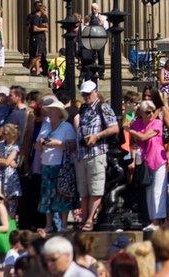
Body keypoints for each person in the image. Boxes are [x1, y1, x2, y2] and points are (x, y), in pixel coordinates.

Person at [73, 80, 119, 230]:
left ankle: (90, 219)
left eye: (88, 94)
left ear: (95, 92)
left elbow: (114, 128)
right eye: (84, 94)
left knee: (96, 188)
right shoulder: (84, 109)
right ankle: (84, 218)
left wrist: (97, 136)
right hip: (82, 154)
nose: (86, 97)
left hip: (96, 152)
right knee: (84, 190)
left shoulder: (103, 107)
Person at [35, 97, 77, 232]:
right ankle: (48, 225)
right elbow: (37, 145)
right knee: (47, 195)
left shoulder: (67, 127)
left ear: (59, 113)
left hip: (61, 164)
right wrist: (42, 143)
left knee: (62, 195)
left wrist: (58, 144)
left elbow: (72, 146)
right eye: (49, 111)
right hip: (47, 163)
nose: (50, 113)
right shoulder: (45, 126)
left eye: (53, 111)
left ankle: (64, 225)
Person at [128, 100, 169, 228]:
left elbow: (143, 137)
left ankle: (157, 220)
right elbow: (127, 122)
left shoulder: (157, 123)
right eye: (147, 112)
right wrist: (130, 109)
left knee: (158, 191)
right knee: (149, 191)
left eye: (152, 111)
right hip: (145, 161)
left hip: (158, 159)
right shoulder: (137, 123)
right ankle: (152, 220)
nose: (150, 114)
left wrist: (129, 130)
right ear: (141, 113)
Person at [27, 2, 48, 76]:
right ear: (40, 10)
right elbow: (35, 28)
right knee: (36, 56)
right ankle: (28, 69)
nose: (45, 11)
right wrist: (43, 29)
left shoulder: (40, 17)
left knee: (37, 55)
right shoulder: (35, 17)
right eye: (44, 10)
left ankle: (37, 72)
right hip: (37, 39)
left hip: (40, 39)